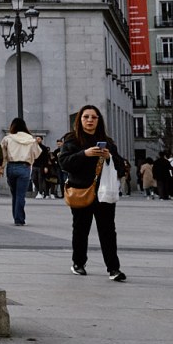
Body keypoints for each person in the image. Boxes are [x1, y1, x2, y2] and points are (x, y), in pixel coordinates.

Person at [58, 103, 127, 281]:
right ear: (80, 120)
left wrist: (109, 157)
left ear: (99, 121)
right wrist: (85, 154)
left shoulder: (108, 142)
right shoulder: (72, 140)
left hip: (104, 193)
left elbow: (121, 167)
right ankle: (78, 263)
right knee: (81, 229)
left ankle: (114, 268)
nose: (90, 120)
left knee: (108, 231)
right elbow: (64, 163)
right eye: (86, 117)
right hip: (81, 191)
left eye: (93, 117)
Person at [1, 118, 42, 226]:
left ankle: (16, 216)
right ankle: (19, 219)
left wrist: (1, 167)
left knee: (14, 194)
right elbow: (37, 153)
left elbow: (3, 155)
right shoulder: (31, 140)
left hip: (11, 166)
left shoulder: (7, 138)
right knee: (20, 195)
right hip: (24, 166)